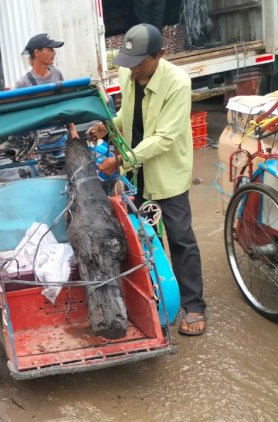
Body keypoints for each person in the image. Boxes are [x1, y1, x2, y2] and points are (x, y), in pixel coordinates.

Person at [88, 24, 207, 336]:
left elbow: (165, 138)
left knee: (180, 237)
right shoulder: (130, 73)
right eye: (129, 61)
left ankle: (194, 305)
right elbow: (129, 115)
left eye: (140, 62)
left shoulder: (178, 83)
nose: (134, 68)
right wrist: (108, 127)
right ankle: (158, 297)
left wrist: (121, 160)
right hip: (136, 172)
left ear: (160, 55)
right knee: (144, 237)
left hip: (166, 172)